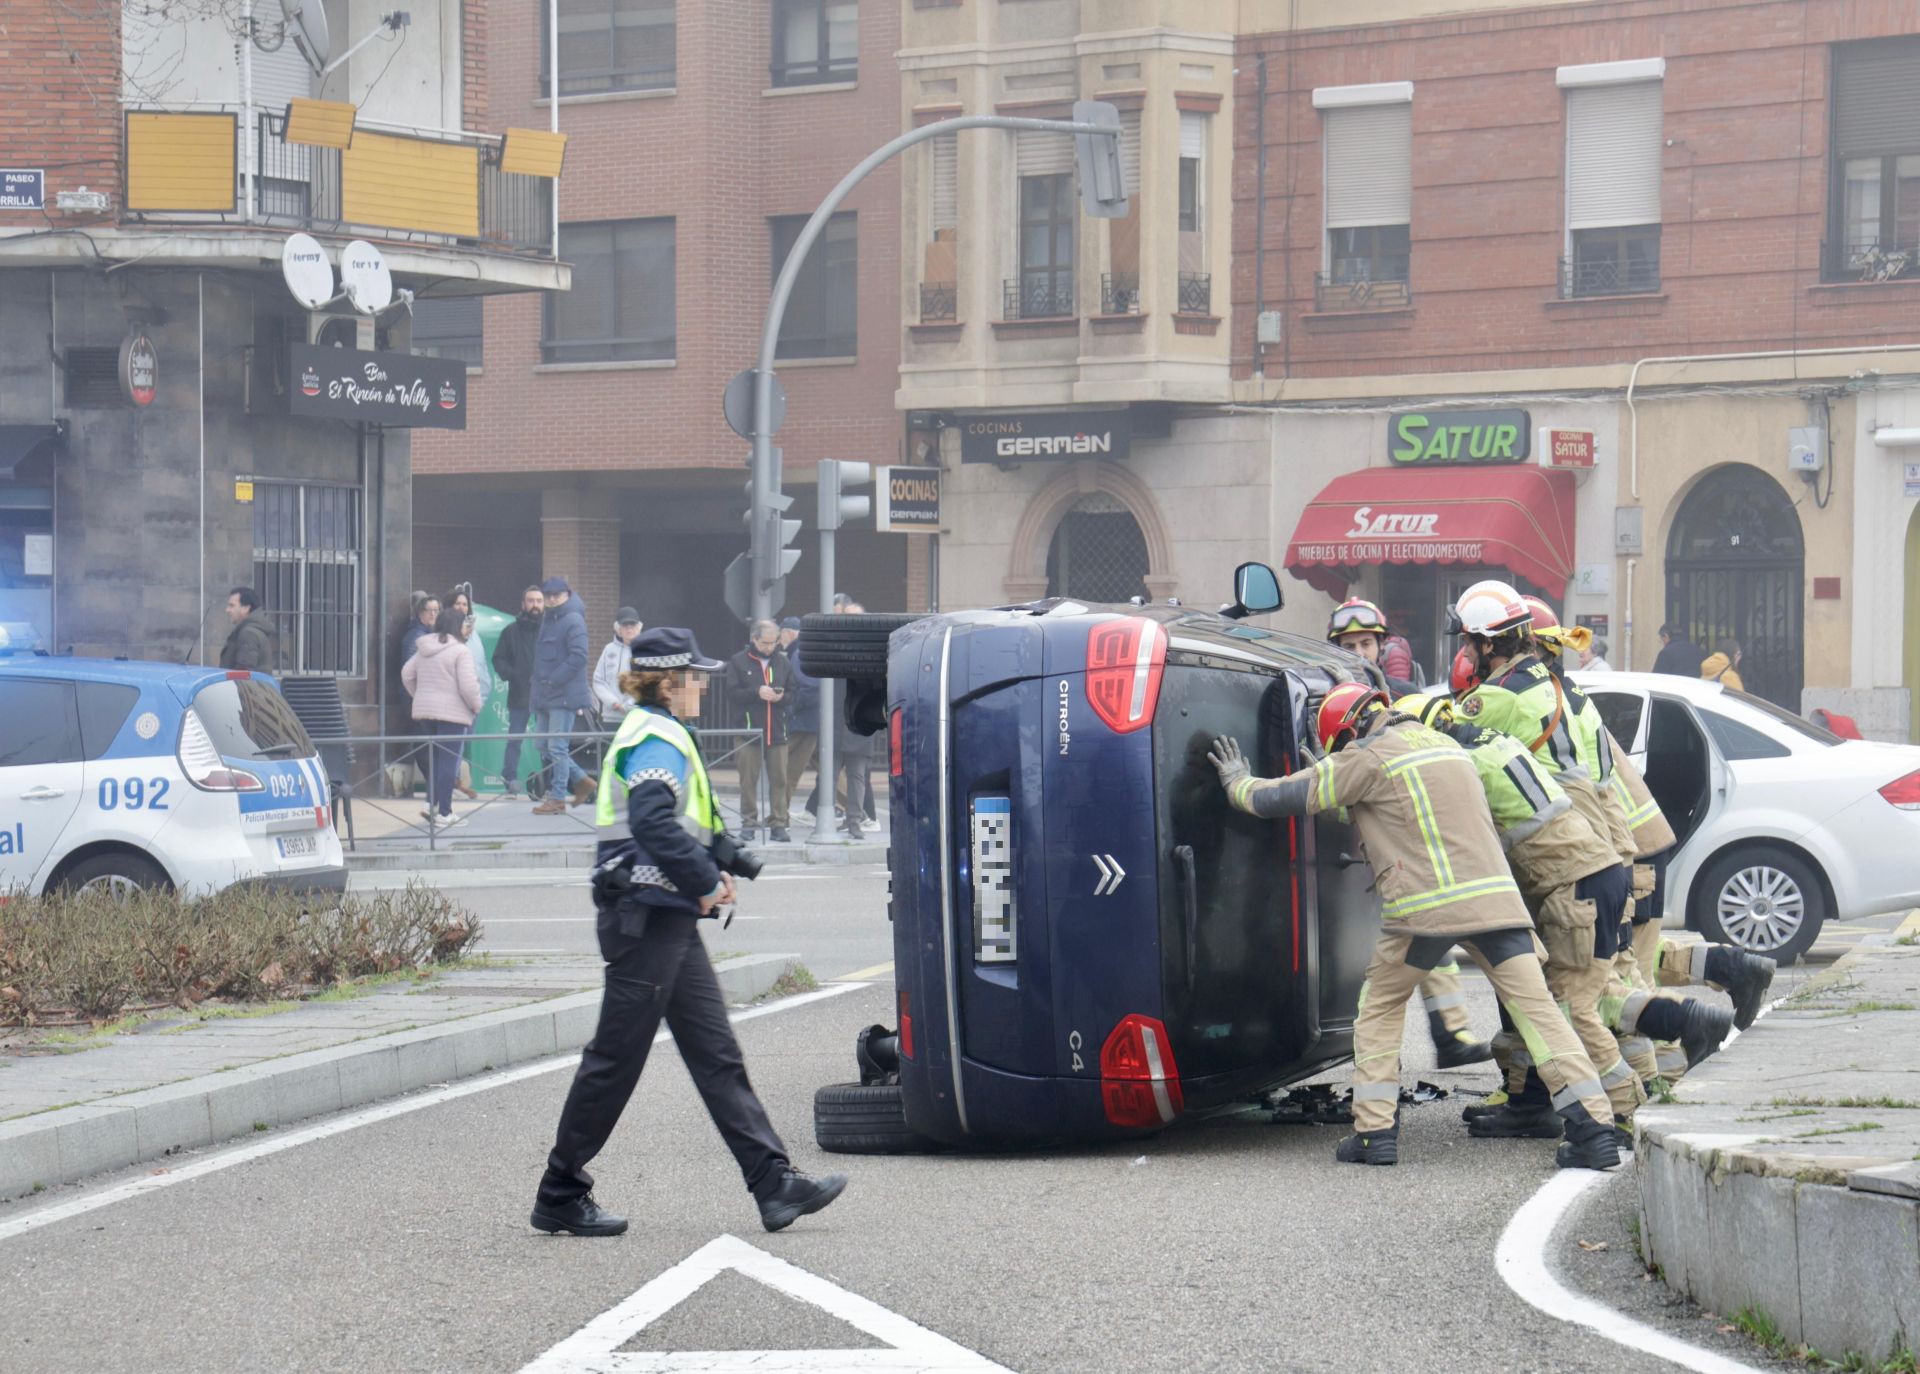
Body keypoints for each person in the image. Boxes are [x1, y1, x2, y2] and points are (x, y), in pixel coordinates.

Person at [1208, 684, 1622, 1170]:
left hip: (1425, 913)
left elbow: (1278, 797)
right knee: (1539, 1013)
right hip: (1497, 904)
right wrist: (1334, 770)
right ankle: (1594, 1131)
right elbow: (1394, 806)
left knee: (1379, 1008)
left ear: (1347, 732)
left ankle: (1373, 1134)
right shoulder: (1446, 748)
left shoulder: (1364, 760)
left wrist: (1238, 783)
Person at [531, 626, 847, 1238]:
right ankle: (560, 1191)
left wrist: (727, 857)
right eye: (695, 676)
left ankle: (772, 1183)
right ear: (669, 683)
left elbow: (681, 821)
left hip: (663, 917)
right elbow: (652, 819)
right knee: (615, 1060)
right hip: (645, 919)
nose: (703, 685)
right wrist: (704, 879)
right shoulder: (656, 736)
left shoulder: (663, 731)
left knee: (716, 1053)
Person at [1450, 584, 1734, 1098]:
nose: (1466, 652)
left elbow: (1448, 748)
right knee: (1611, 981)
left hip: (1565, 863)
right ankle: (1653, 1079)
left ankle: (1624, 1098)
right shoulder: (1565, 691)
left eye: (1470, 641)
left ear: (1489, 644)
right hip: (1607, 852)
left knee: (1574, 1000)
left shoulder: (1495, 698)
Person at [1396, 693, 1643, 1144]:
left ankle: (1623, 1108)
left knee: (1571, 1009)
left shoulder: (1461, 762)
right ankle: (1540, 1105)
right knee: (1563, 999)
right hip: (1594, 874)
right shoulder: (1490, 742)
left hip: (1575, 885)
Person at [400, 606, 484, 830]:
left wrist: (419, 695)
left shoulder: (424, 648)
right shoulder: (460, 651)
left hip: (425, 711)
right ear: (457, 626)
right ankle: (445, 813)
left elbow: (407, 674)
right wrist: (476, 705)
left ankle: (431, 804)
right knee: (448, 762)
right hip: (452, 714)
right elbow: (468, 686)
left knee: (436, 759)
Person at [532, 575, 596, 815]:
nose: (551, 599)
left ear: (567, 594)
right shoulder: (550, 619)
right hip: (547, 694)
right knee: (543, 745)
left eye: (556, 595)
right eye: (548, 595)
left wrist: (553, 679)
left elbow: (579, 656)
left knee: (557, 747)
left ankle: (558, 798)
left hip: (563, 695)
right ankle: (583, 781)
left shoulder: (573, 620)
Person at [727, 619, 792, 843]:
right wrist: (757, 692)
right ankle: (749, 823)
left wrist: (782, 697)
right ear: (753, 639)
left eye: (773, 643)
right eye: (764, 643)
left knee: (780, 779)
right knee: (748, 780)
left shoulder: (783, 662)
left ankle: (778, 823)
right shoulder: (738, 661)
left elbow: (795, 693)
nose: (769, 647)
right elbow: (732, 693)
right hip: (748, 730)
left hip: (777, 729)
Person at [492, 586, 545, 797]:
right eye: (531, 601)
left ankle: (548, 783)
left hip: (545, 695)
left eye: (539, 601)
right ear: (523, 604)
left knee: (546, 741)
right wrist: (513, 675)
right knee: (515, 740)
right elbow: (498, 658)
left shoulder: (550, 631)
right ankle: (510, 780)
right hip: (519, 693)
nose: (535, 605)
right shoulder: (510, 631)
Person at [447, 586, 492, 800]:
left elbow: (480, 666)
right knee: (454, 744)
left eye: (465, 604)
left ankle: (456, 780)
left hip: (474, 698)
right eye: (457, 603)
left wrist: (482, 695)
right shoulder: (445, 632)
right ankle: (451, 783)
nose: (461, 607)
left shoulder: (473, 634)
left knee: (463, 743)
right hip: (455, 699)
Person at [780, 618, 822, 825]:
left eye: (781, 634)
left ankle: (779, 815)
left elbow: (808, 687)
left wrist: (791, 709)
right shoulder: (805, 651)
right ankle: (859, 813)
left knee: (788, 769)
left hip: (803, 722)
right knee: (829, 769)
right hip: (812, 721)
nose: (779, 639)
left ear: (790, 633)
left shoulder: (798, 654)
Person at [593, 608, 645, 726]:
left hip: (637, 717)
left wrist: (630, 704)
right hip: (610, 718)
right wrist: (614, 703)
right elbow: (598, 680)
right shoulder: (608, 650)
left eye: (632, 625)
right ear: (618, 629)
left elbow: (646, 681)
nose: (629, 629)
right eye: (625, 625)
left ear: (639, 627)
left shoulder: (646, 651)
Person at [219, 587, 277, 670]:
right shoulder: (248, 630)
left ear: (246, 608)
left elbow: (244, 672)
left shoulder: (248, 634)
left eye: (232, 606)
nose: (227, 610)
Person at [401, 592, 440, 664]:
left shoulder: (431, 632)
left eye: (436, 610)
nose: (433, 614)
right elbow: (407, 664)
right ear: (420, 613)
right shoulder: (414, 636)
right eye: (429, 610)